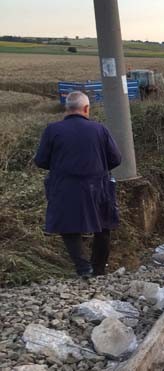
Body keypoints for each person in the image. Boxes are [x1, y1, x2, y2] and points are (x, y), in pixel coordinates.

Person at [34, 91, 122, 278]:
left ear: (67, 108)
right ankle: (99, 269)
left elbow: (41, 161)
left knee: (69, 227)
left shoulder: (52, 130)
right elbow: (116, 159)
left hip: (64, 187)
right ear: (86, 108)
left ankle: (83, 268)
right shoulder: (100, 129)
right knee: (103, 226)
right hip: (97, 187)